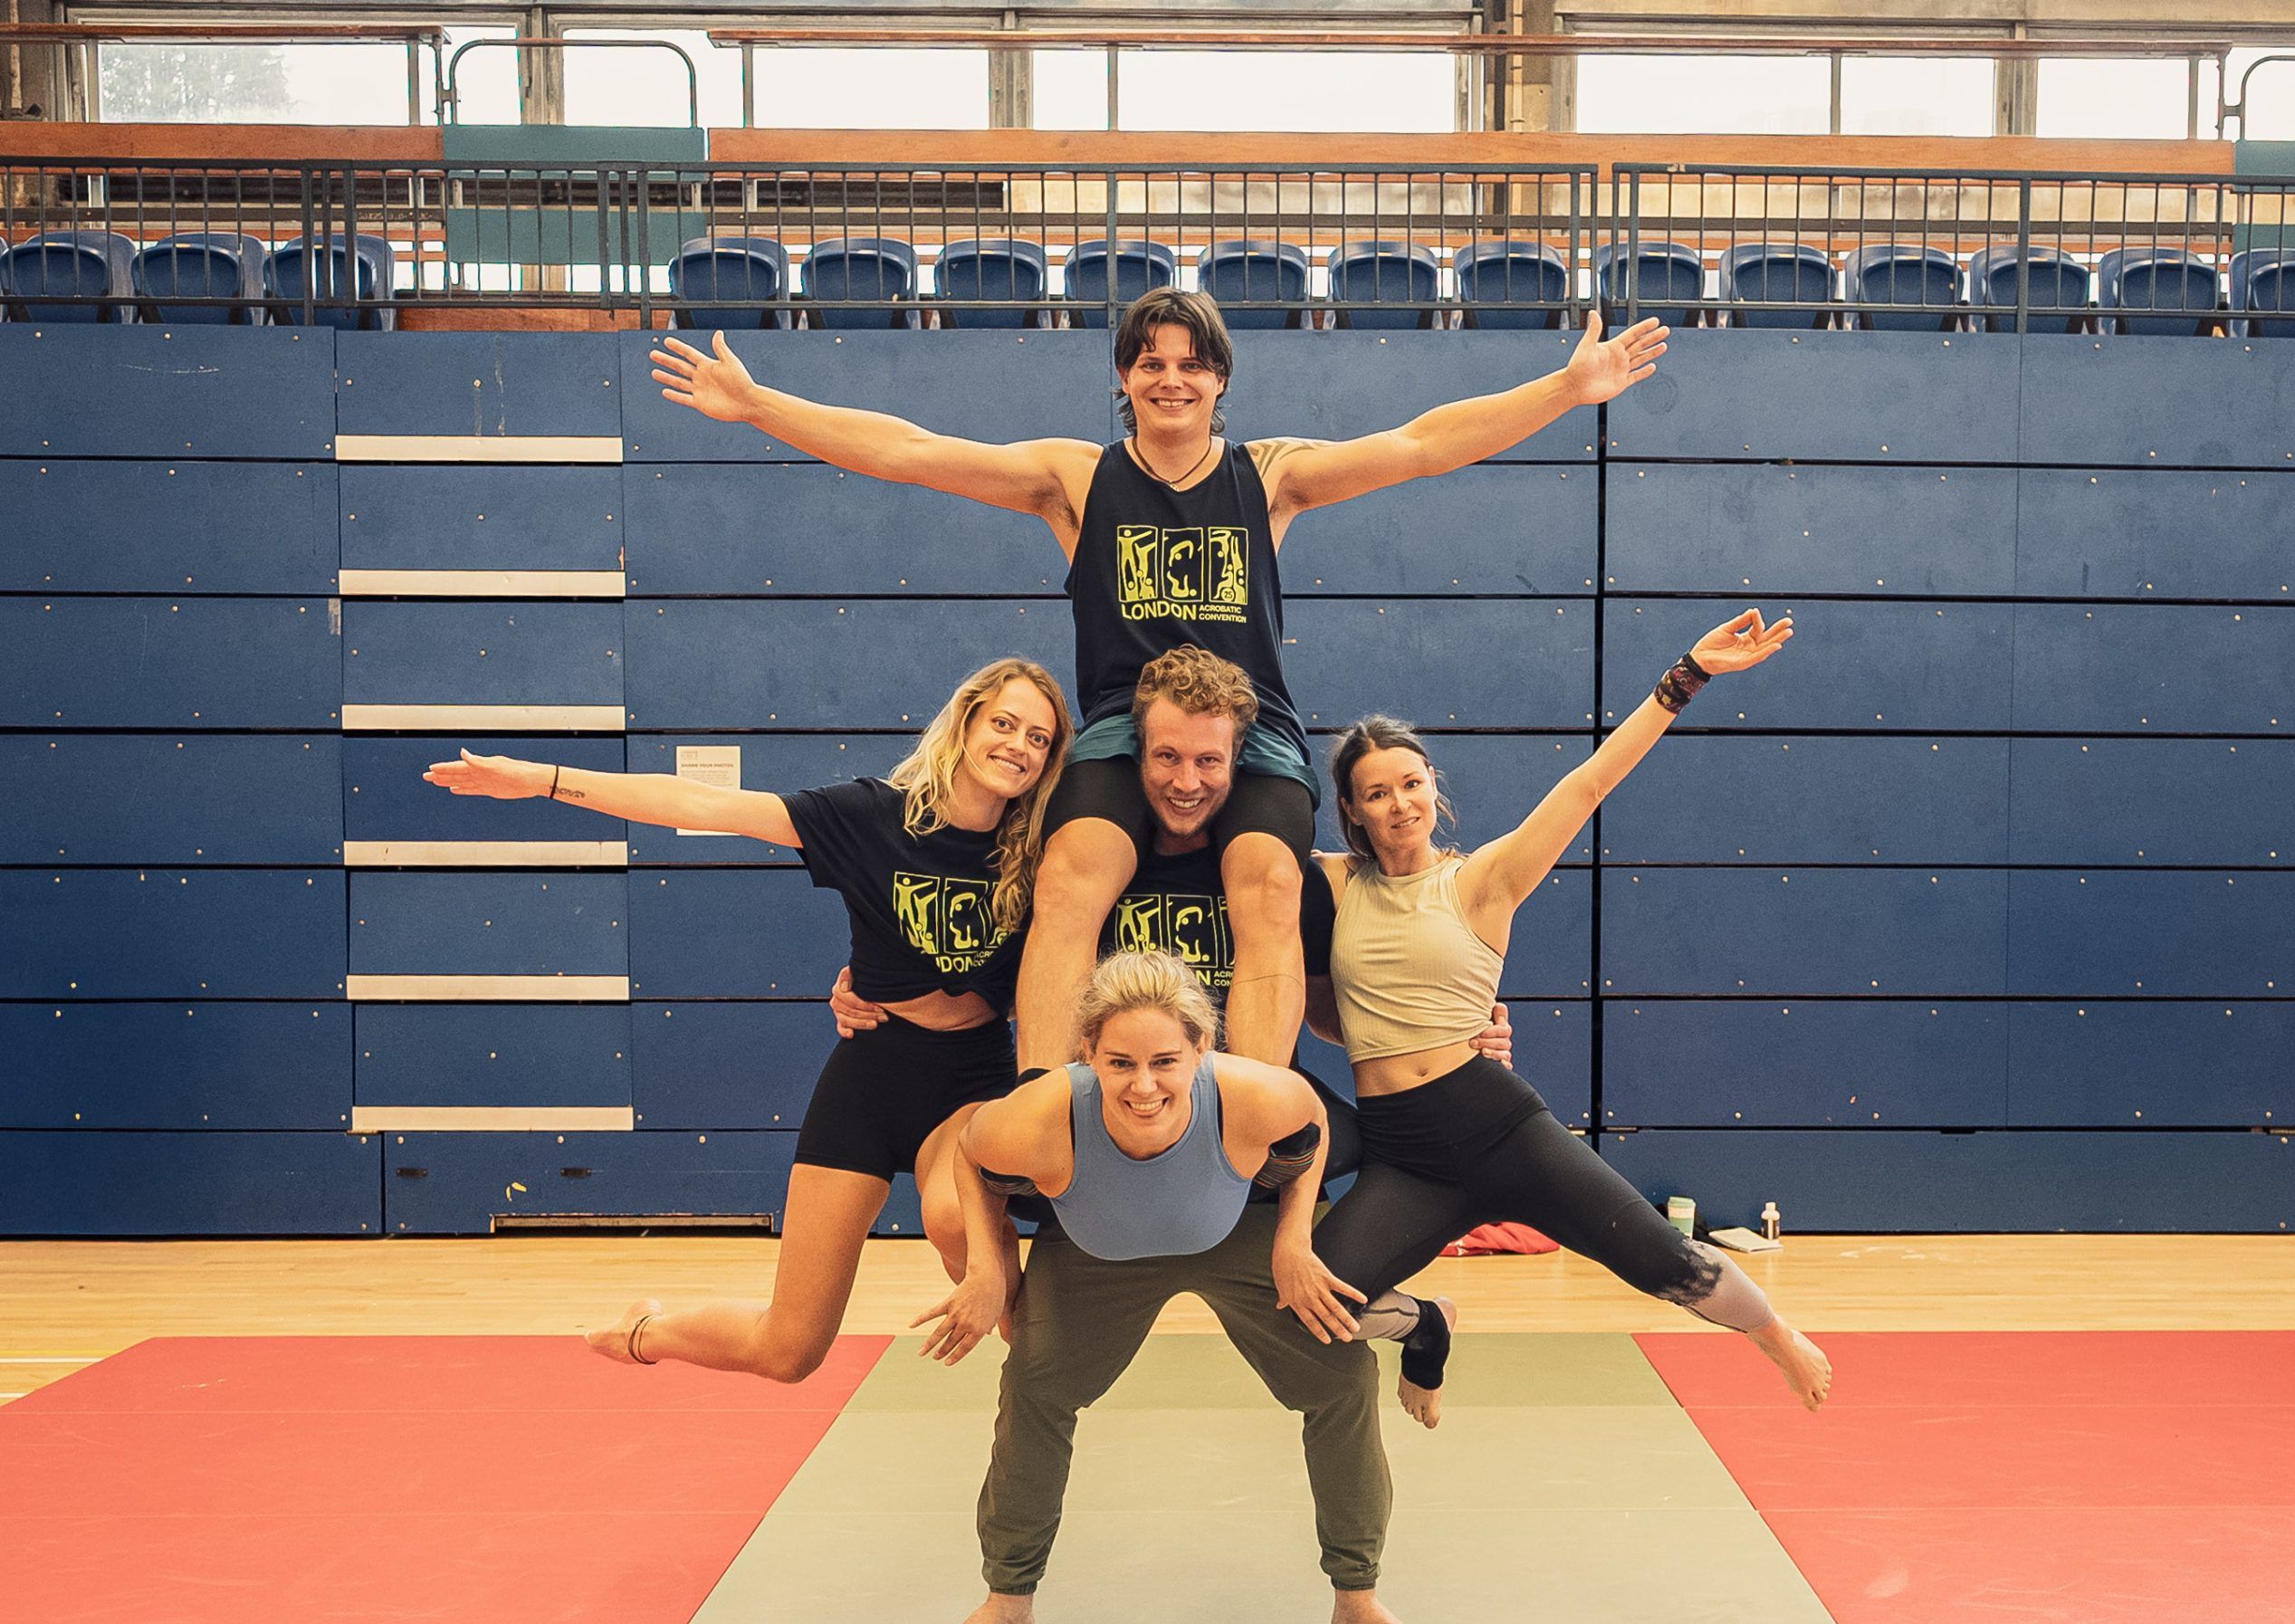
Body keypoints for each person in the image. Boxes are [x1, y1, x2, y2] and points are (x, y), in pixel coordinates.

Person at [649, 288, 1668, 1072]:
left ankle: (1256, 1110)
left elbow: (1419, 445)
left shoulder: (1268, 475)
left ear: (1220, 377)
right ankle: (1050, 1101)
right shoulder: (1078, 478)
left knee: (1269, 882)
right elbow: (912, 452)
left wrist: (1565, 389)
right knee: (1064, 876)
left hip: (1254, 729)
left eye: (1190, 363)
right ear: (1124, 380)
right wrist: (758, 406)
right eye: (1148, 363)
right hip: (1117, 735)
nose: (1168, 379)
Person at [420, 658, 1072, 1382]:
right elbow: (699, 805)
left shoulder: (1048, 848)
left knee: (966, 1236)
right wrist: (543, 779)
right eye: (1004, 724)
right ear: (966, 723)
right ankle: (647, 1330)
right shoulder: (868, 817)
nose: (1018, 745)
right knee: (787, 1350)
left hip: (970, 1077)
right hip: (872, 1074)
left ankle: (1026, 1379)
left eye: (1039, 738)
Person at [1302, 611, 1835, 1427]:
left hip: (1498, 1127)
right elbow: (1338, 1014)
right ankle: (1428, 1325)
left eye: (1412, 782)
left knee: (1661, 1261)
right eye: (1377, 792)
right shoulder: (1334, 885)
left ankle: (1774, 1335)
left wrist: (1685, 676)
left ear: (1433, 785)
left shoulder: (1482, 878)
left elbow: (1587, 783)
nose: (1400, 802)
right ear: (1353, 809)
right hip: (1403, 1151)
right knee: (1320, 1305)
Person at [903, 950, 1439, 1624]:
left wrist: (1290, 1242)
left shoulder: (1256, 1095)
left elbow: (1311, 1122)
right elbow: (971, 1154)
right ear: (1086, 1052)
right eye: (1119, 1062)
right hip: (1097, 1250)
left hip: (1235, 1228)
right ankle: (1007, 1606)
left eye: (1165, 1060)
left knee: (1340, 1380)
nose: (1144, 1085)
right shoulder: (1042, 1113)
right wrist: (988, 1271)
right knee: (1035, 1389)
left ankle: (1357, 1599)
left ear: (1202, 1050)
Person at [827, 644, 1515, 1175]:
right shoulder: (1084, 867)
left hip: (1229, 1123)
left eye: (1209, 762)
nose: (1186, 783)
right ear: (1134, 757)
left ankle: (1412, 1319)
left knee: (1369, 1152)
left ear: (1240, 762)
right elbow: (990, 962)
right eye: (1166, 757)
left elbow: (1340, 1010)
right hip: (1125, 1112)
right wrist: (882, 981)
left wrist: (1457, 1033)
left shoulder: (1284, 877)